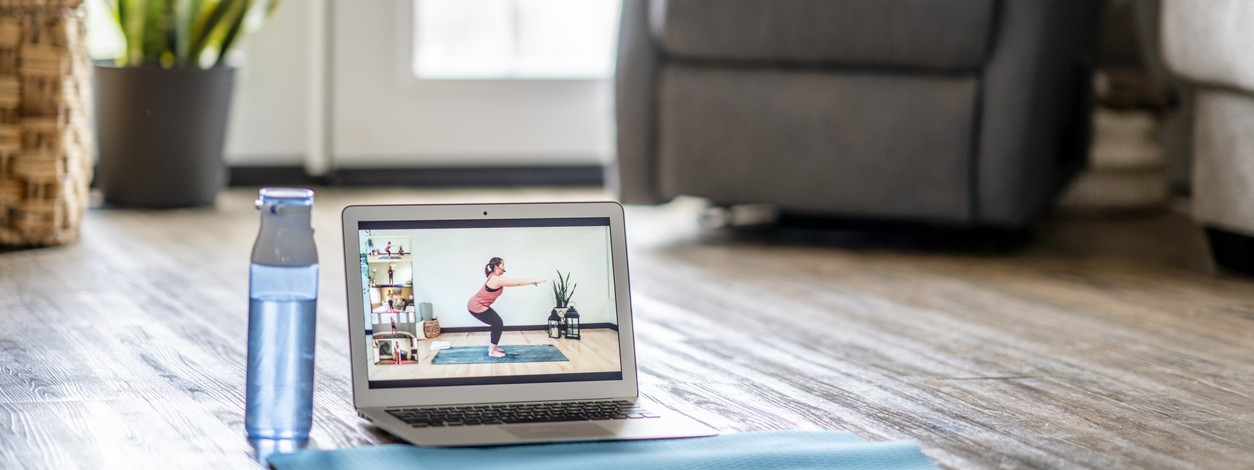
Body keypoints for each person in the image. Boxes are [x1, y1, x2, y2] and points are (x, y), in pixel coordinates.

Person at [466, 257, 544, 358]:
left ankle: (492, 347)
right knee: (498, 323)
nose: (504, 267)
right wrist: (532, 280)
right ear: (496, 266)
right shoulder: (495, 279)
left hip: (479, 305)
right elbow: (516, 283)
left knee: (497, 323)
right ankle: (492, 351)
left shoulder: (493, 276)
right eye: (502, 265)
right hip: (476, 306)